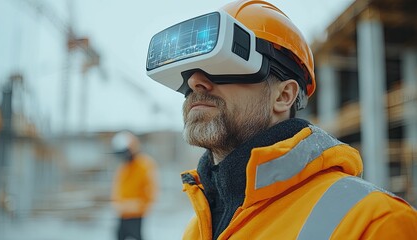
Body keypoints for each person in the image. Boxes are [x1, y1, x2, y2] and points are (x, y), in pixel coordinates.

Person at [146, 0, 417, 239]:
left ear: (284, 95)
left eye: (222, 66)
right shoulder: (198, 228)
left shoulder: (375, 223)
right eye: (188, 73)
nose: (194, 82)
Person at [110, 131, 157, 240]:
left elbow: (151, 191)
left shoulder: (144, 165)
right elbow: (118, 188)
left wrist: (140, 205)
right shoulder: (124, 167)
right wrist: (117, 204)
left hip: (137, 215)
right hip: (122, 213)